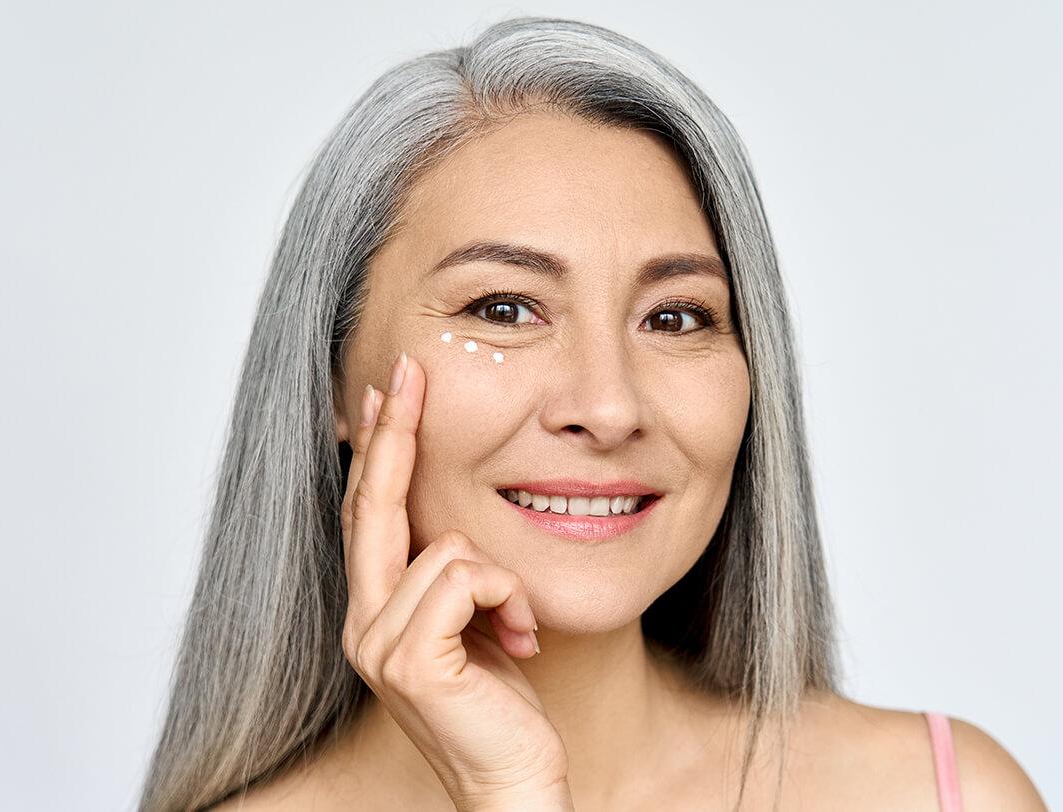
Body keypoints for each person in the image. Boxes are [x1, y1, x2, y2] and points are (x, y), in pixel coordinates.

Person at [138, 16, 1047, 812]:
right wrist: (508, 788)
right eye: (503, 309)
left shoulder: (946, 794)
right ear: (336, 380)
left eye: (675, 317)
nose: (608, 407)